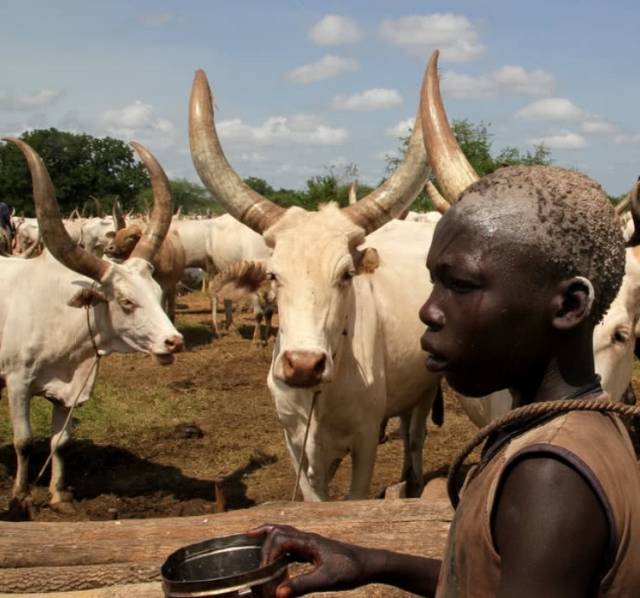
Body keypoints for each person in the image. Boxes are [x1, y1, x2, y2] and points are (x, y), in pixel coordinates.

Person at [248, 165, 640, 597]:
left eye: (460, 285)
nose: (427, 310)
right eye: (433, 282)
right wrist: (371, 563)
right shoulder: (577, 424)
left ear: (568, 306)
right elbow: (493, 579)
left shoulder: (550, 477)